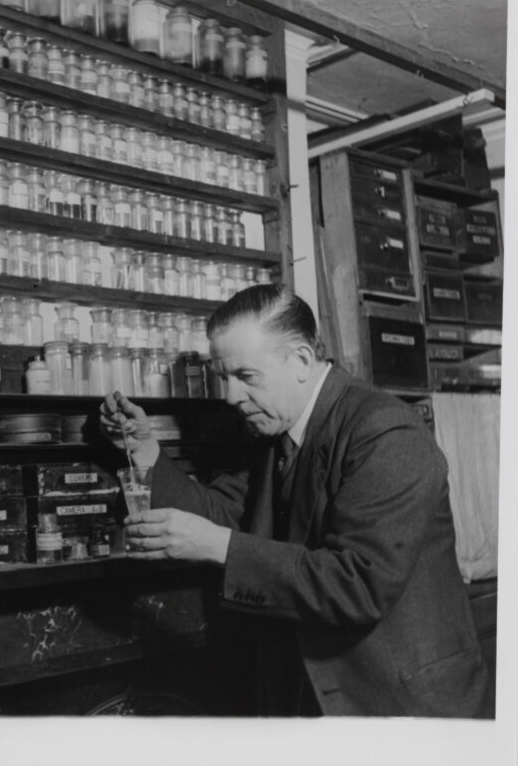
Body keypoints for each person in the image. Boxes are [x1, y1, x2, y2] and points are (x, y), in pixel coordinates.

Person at [100, 283, 491, 718]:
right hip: (313, 695)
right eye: (223, 378)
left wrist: (217, 545)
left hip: (400, 704)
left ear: (302, 361)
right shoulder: (275, 431)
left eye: (246, 377)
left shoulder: (385, 433)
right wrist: (144, 450)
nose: (231, 397)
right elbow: (220, 514)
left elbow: (357, 585)